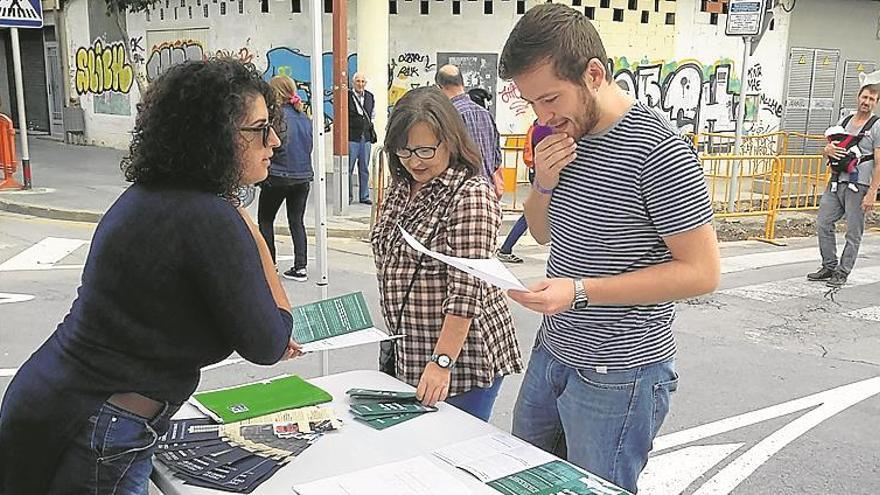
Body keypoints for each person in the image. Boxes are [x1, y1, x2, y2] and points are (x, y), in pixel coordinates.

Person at [0, 58, 302, 494]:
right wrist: (251, 229)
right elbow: (269, 342)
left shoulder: (149, 198)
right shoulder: (209, 216)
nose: (273, 140)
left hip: (61, 402)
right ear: (215, 137)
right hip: (100, 425)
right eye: (258, 128)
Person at [499, 4, 720, 493]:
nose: (543, 115)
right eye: (532, 102)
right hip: (553, 348)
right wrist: (543, 184)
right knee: (524, 481)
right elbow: (540, 233)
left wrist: (579, 291)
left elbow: (703, 272)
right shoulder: (559, 136)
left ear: (594, 73)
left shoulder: (659, 150)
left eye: (551, 98)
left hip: (621, 371)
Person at [370, 87, 523, 422]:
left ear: (450, 141)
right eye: (404, 151)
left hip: (460, 360)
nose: (414, 161)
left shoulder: (470, 195)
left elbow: (466, 294)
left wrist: (441, 363)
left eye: (425, 150)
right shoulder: (402, 187)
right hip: (410, 348)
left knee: (449, 459)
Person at [807, 78, 880, 288]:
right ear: (858, 97)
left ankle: (842, 271)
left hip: (860, 184)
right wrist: (827, 150)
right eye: (864, 97)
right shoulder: (846, 120)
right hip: (837, 180)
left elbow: (878, 162)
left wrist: (872, 192)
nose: (867, 101)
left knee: (853, 231)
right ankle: (829, 265)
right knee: (824, 222)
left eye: (872, 99)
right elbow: (832, 145)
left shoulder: (876, 126)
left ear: (875, 103)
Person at [258, 75, 314, 282]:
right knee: (296, 221)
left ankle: (270, 265)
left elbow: (276, 145)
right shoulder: (304, 117)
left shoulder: (275, 117)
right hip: (303, 176)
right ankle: (301, 266)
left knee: (265, 219)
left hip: (279, 174)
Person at [436, 65, 502, 189]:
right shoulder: (486, 114)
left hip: (460, 192)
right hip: (486, 191)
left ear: (440, 88)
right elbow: (496, 157)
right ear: (462, 83)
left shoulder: (447, 116)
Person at [496, 121, 539, 264]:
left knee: (531, 213)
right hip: (543, 175)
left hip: (537, 172)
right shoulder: (545, 128)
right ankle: (506, 248)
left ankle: (506, 248)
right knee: (530, 214)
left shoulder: (538, 124)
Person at [348, 72, 375, 205]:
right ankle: (347, 195)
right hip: (352, 136)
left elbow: (372, 114)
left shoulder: (370, 97)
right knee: (348, 168)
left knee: (364, 167)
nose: (360, 84)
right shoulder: (347, 96)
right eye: (358, 81)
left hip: (366, 137)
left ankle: (364, 196)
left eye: (362, 81)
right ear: (353, 83)